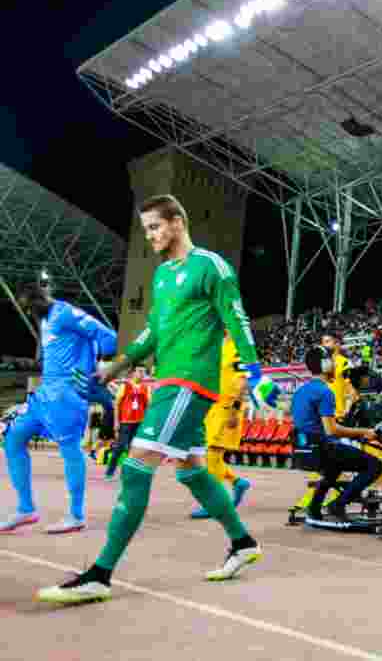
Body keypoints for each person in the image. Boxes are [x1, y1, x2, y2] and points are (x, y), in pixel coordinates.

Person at [36, 194, 279, 604]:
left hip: (190, 382)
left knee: (134, 469)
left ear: (177, 222)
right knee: (192, 472)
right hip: (169, 381)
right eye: (146, 228)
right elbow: (154, 331)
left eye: (155, 227)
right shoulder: (164, 276)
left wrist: (255, 373)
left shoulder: (210, 266)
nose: (149, 235)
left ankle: (100, 574)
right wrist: (116, 366)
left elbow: (236, 317)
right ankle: (243, 543)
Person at [2, 280, 117, 535]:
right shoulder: (45, 319)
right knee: (12, 439)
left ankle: (76, 515)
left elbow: (108, 337)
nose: (30, 312)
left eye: (31, 307)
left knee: (69, 449)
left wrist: (99, 367)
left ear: (40, 299)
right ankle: (25, 508)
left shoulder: (66, 313)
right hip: (44, 394)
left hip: (67, 393)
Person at [300, 353, 382, 525]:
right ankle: (339, 504)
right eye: (332, 364)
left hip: (305, 450)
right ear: (325, 366)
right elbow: (331, 429)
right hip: (324, 447)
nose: (336, 368)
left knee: (335, 467)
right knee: (375, 465)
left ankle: (314, 507)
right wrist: (364, 432)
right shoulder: (325, 392)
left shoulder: (301, 391)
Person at [190, 333, 252, 519]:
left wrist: (235, 409)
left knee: (212, 456)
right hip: (212, 407)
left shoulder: (239, 347)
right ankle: (237, 482)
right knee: (210, 457)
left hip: (227, 408)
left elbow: (243, 381)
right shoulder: (218, 345)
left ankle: (214, 504)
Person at [106, 367, 150, 481]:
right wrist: (116, 421)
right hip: (126, 422)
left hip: (139, 422)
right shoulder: (125, 386)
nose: (142, 374)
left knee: (134, 450)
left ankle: (129, 474)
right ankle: (110, 471)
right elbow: (117, 404)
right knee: (120, 447)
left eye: (144, 372)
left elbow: (148, 406)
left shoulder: (146, 388)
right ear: (133, 373)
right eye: (139, 371)